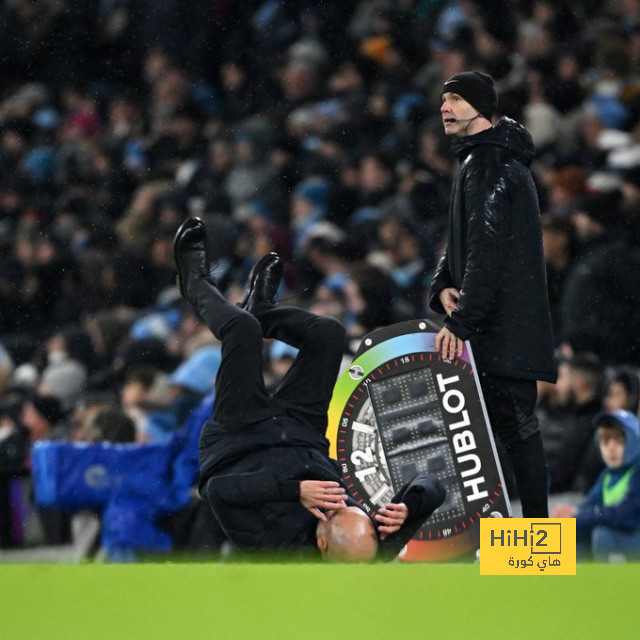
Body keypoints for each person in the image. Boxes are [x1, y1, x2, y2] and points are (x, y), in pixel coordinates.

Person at [174, 217, 445, 561]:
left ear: (322, 543)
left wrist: (295, 491)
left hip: (239, 438)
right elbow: (432, 487)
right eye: (350, 508)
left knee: (241, 329)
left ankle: (195, 282)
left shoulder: (279, 548)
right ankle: (265, 311)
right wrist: (411, 505)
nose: (340, 506)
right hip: (303, 433)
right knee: (328, 334)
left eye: (333, 515)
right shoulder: (370, 545)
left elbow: (217, 490)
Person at [430, 71, 557, 518]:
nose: (445, 108)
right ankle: (525, 541)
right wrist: (444, 283)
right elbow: (465, 242)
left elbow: (487, 250)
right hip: (500, 323)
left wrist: (461, 322)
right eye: (443, 100)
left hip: (502, 328)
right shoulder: (483, 160)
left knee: (515, 431)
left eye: (456, 100)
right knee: (509, 433)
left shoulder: (489, 163)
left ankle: (536, 544)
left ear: (481, 108)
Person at [553, 410, 640, 562]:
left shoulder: (637, 473)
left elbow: (625, 516)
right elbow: (589, 506)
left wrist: (578, 516)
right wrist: (571, 514)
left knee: (602, 535)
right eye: (605, 440)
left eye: (619, 440)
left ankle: (611, 584)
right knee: (573, 535)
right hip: (624, 540)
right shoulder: (607, 475)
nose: (611, 448)